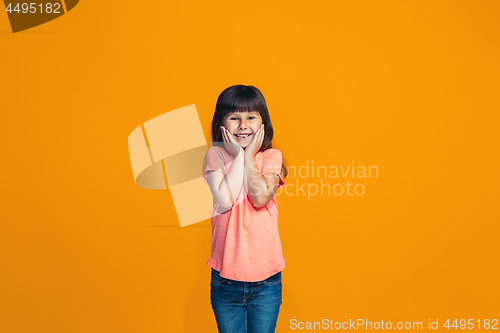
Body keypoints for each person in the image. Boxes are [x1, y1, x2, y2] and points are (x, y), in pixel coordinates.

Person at [202, 84, 288, 333]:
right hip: (225, 280)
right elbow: (226, 198)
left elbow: (260, 197)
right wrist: (238, 157)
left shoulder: (271, 156)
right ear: (222, 123)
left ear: (263, 123)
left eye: (251, 116)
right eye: (234, 117)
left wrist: (249, 156)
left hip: (266, 283)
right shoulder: (216, 155)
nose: (242, 125)